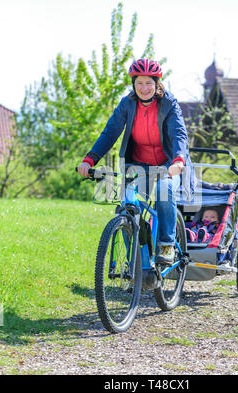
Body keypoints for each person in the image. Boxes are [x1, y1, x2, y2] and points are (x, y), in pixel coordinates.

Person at [77, 58, 191, 264]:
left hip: (169, 164)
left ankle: (166, 244)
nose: (144, 88)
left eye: (148, 83)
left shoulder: (168, 104)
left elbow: (178, 134)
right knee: (126, 207)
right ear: (133, 84)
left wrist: (178, 160)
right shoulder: (127, 104)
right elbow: (109, 133)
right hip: (139, 165)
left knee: (163, 190)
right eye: (139, 83)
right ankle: (135, 262)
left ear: (157, 84)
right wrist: (89, 160)